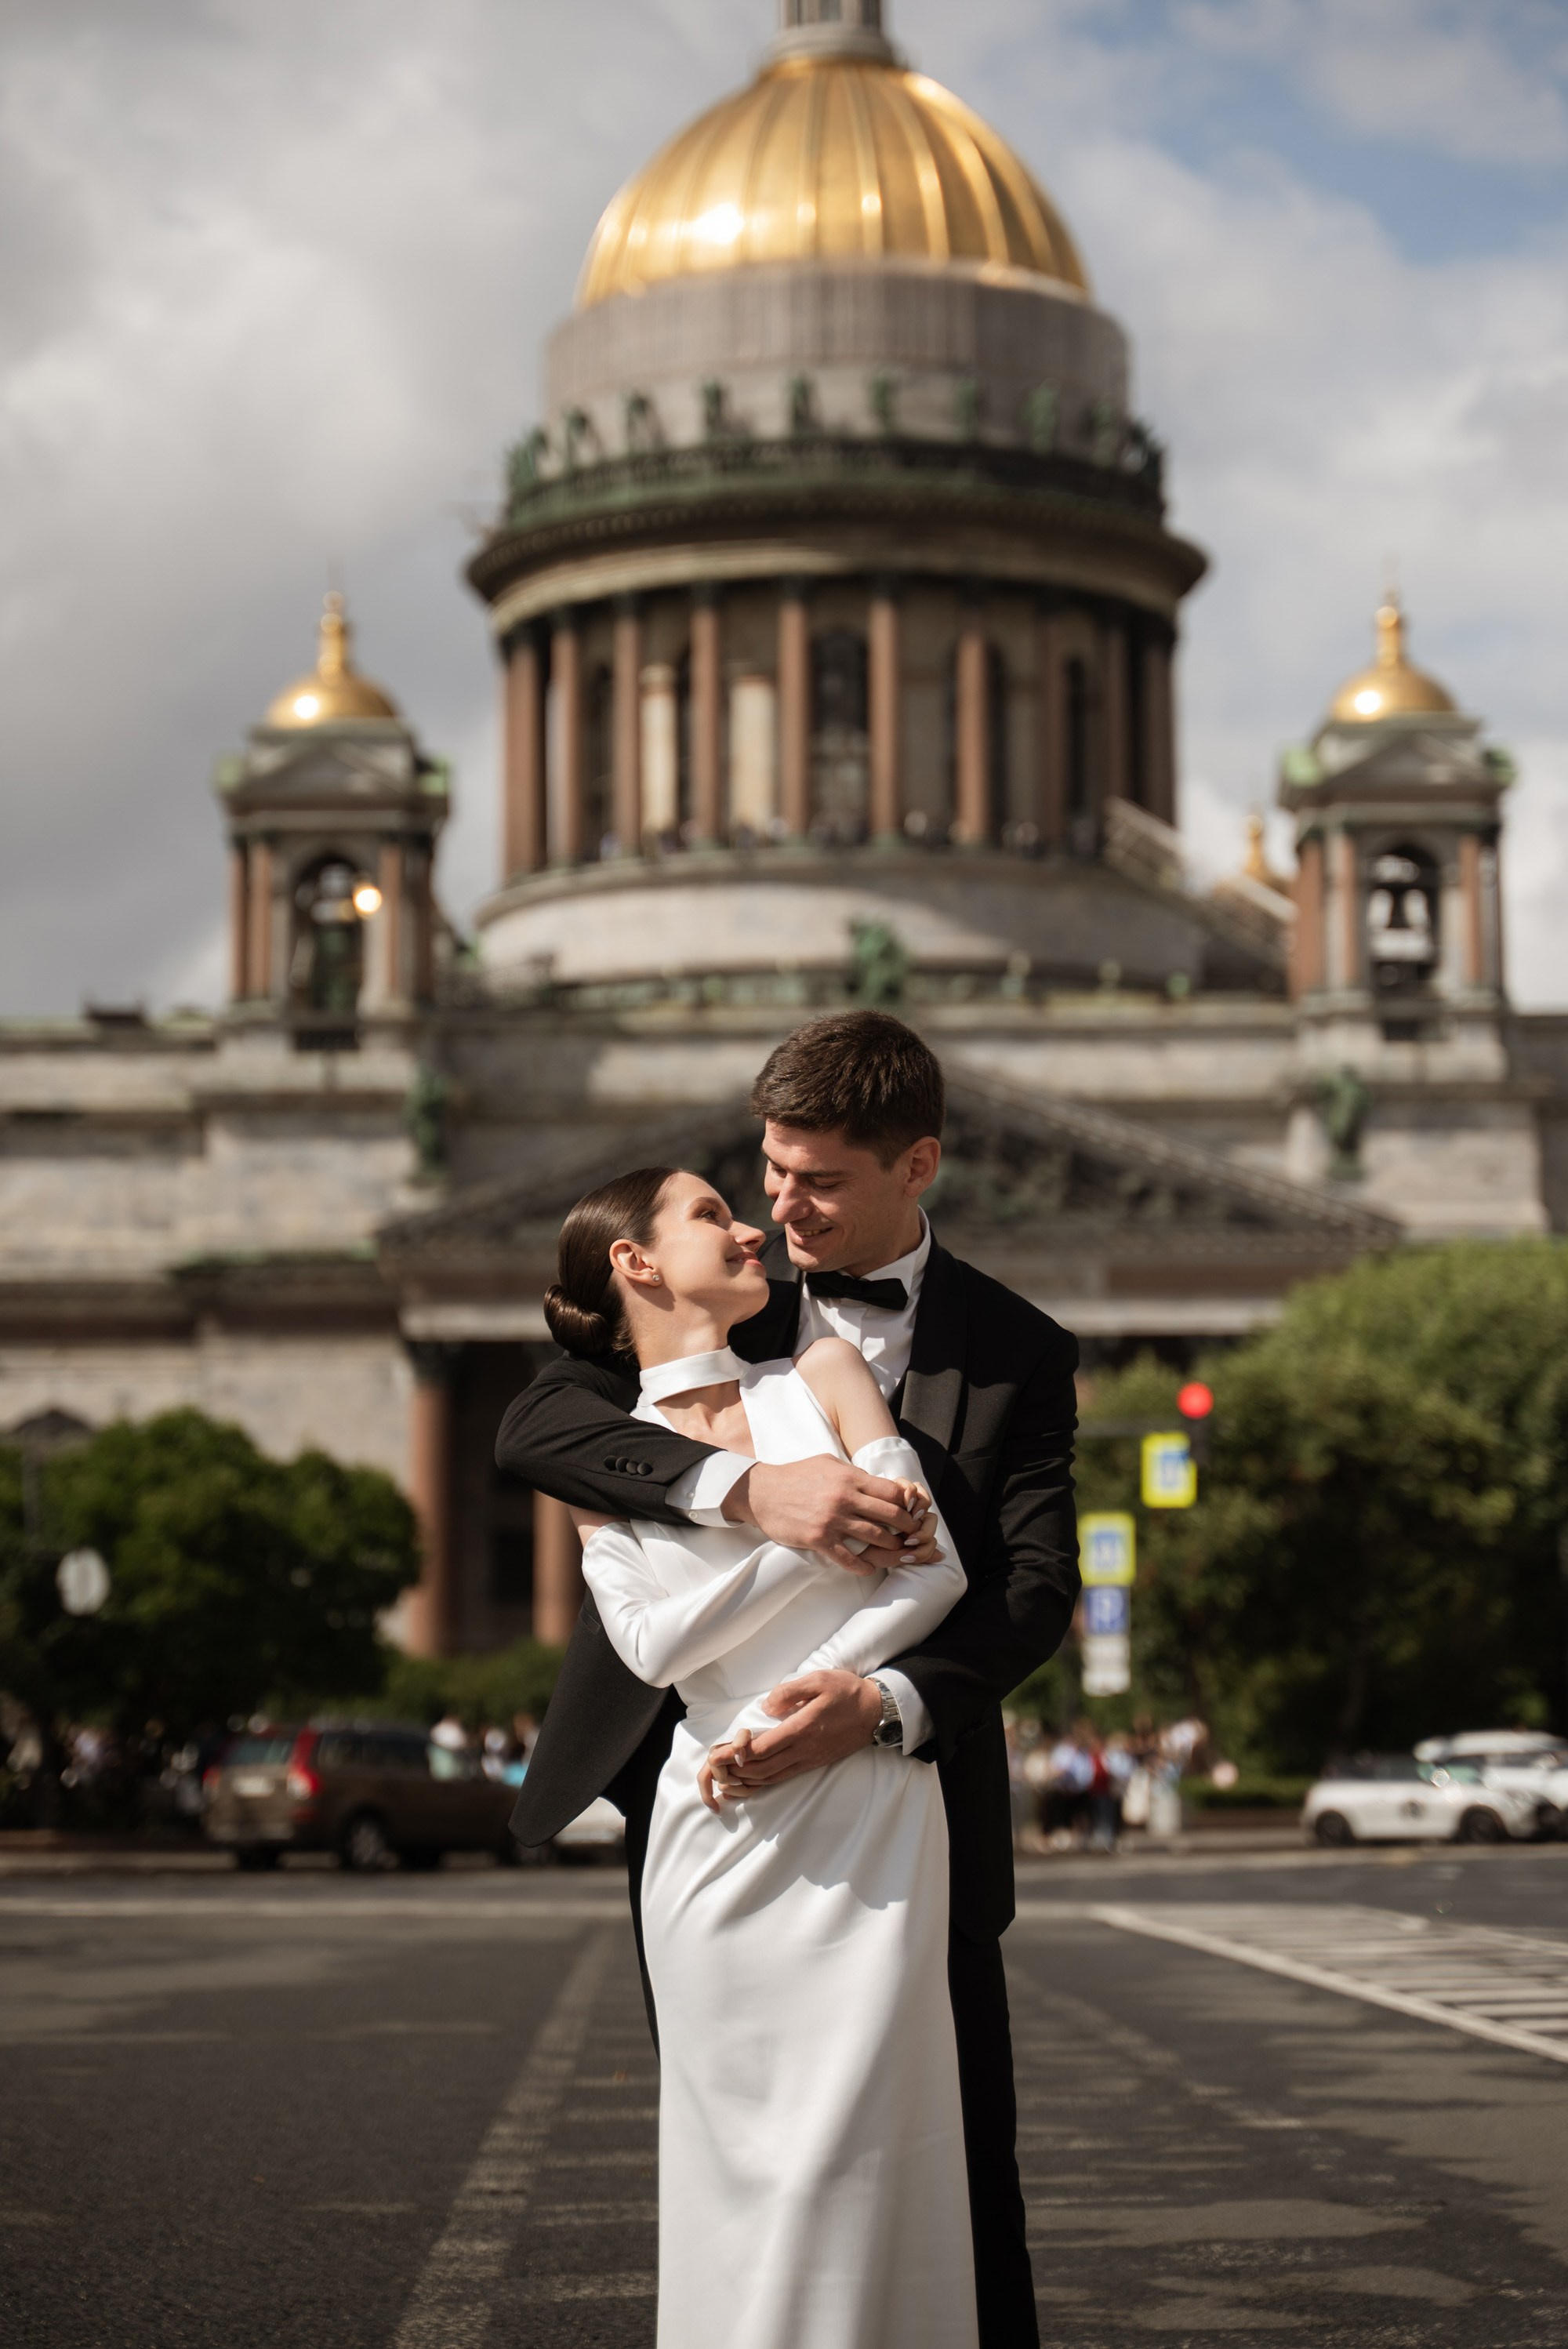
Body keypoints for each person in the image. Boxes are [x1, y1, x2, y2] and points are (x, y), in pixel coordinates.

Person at [500, 1009, 1080, 2348]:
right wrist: (752, 1491)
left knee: (951, 2174)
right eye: (768, 1169)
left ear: (917, 1165)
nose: (778, 1206)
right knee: (739, 2163)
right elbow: (537, 1425)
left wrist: (873, 1703)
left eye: (817, 1181)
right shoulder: (705, 1288)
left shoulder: (1019, 1348)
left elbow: (1030, 1589)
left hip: (900, 1794)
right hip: (704, 1799)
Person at [545, 1161, 973, 2347]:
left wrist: (835, 1688)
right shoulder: (599, 1449)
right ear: (634, 1262)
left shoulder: (821, 1370)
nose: (751, 1225)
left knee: (860, 2155)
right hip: (717, 1814)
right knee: (738, 2171)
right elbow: (650, 1645)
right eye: (708, 1213)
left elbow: (938, 1568)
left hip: (862, 1794)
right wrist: (805, 1521)